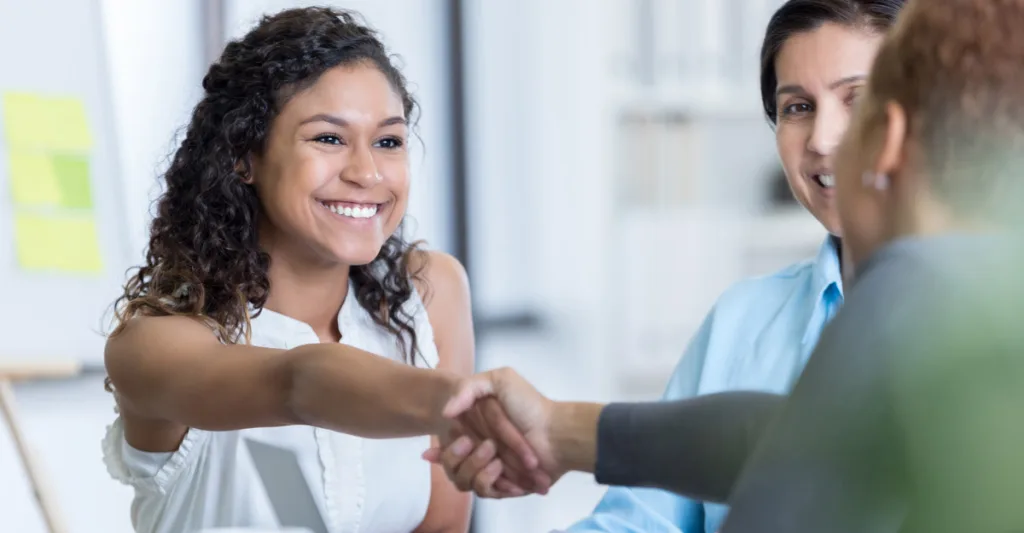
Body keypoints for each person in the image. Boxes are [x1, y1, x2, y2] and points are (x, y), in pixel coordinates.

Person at [432, 0, 1024, 531]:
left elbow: (806, 454)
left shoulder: (921, 288)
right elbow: (792, 445)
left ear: (893, 133)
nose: (823, 140)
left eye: (858, 102)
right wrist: (562, 430)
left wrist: (562, 431)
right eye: (796, 107)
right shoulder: (750, 318)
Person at [99, 8, 536, 533]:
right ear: (244, 157)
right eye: (328, 138)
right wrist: (458, 403)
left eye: (388, 141)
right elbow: (298, 383)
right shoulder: (152, 346)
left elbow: (441, 527)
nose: (367, 172)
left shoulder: (431, 291)